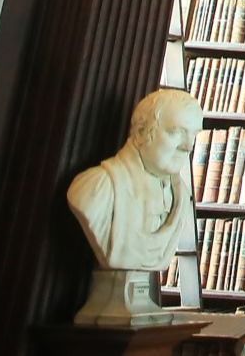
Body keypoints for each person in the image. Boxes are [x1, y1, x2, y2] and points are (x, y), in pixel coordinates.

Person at [66, 87, 204, 325]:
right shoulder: (97, 188)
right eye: (175, 132)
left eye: (193, 135)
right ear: (141, 132)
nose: (188, 146)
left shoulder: (180, 195)